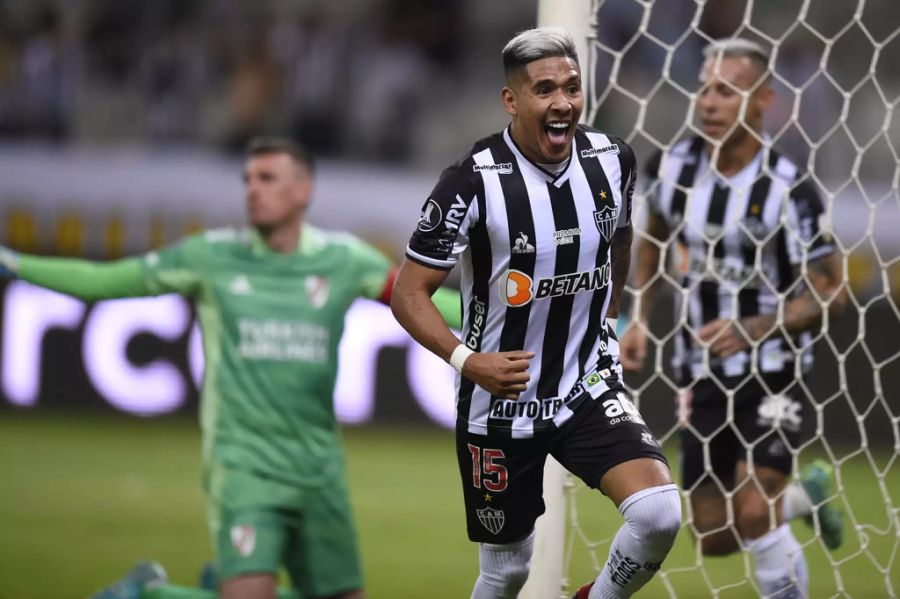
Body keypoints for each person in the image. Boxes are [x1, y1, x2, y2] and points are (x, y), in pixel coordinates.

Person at [0, 137, 462, 599]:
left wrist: (513, 309)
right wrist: (17, 264)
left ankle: (155, 593)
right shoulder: (210, 258)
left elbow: (422, 300)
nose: (252, 190)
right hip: (245, 468)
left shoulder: (343, 260)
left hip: (320, 469)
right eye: (248, 180)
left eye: (267, 178)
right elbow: (104, 281)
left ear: (303, 191)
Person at [391, 27, 681, 599]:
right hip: (501, 399)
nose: (562, 103)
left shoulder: (611, 160)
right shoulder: (470, 182)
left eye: (572, 88)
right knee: (508, 572)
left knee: (657, 515)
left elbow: (619, 239)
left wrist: (610, 317)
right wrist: (466, 360)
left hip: (585, 384)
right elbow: (408, 293)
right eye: (544, 89)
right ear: (512, 100)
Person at [618, 38, 847, 598]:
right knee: (714, 535)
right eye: (703, 89)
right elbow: (652, 239)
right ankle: (803, 499)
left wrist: (758, 325)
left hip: (776, 368)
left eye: (726, 90)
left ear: (763, 98)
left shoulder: (790, 187)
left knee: (754, 508)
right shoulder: (672, 167)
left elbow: (833, 290)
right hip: (700, 372)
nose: (709, 103)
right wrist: (639, 316)